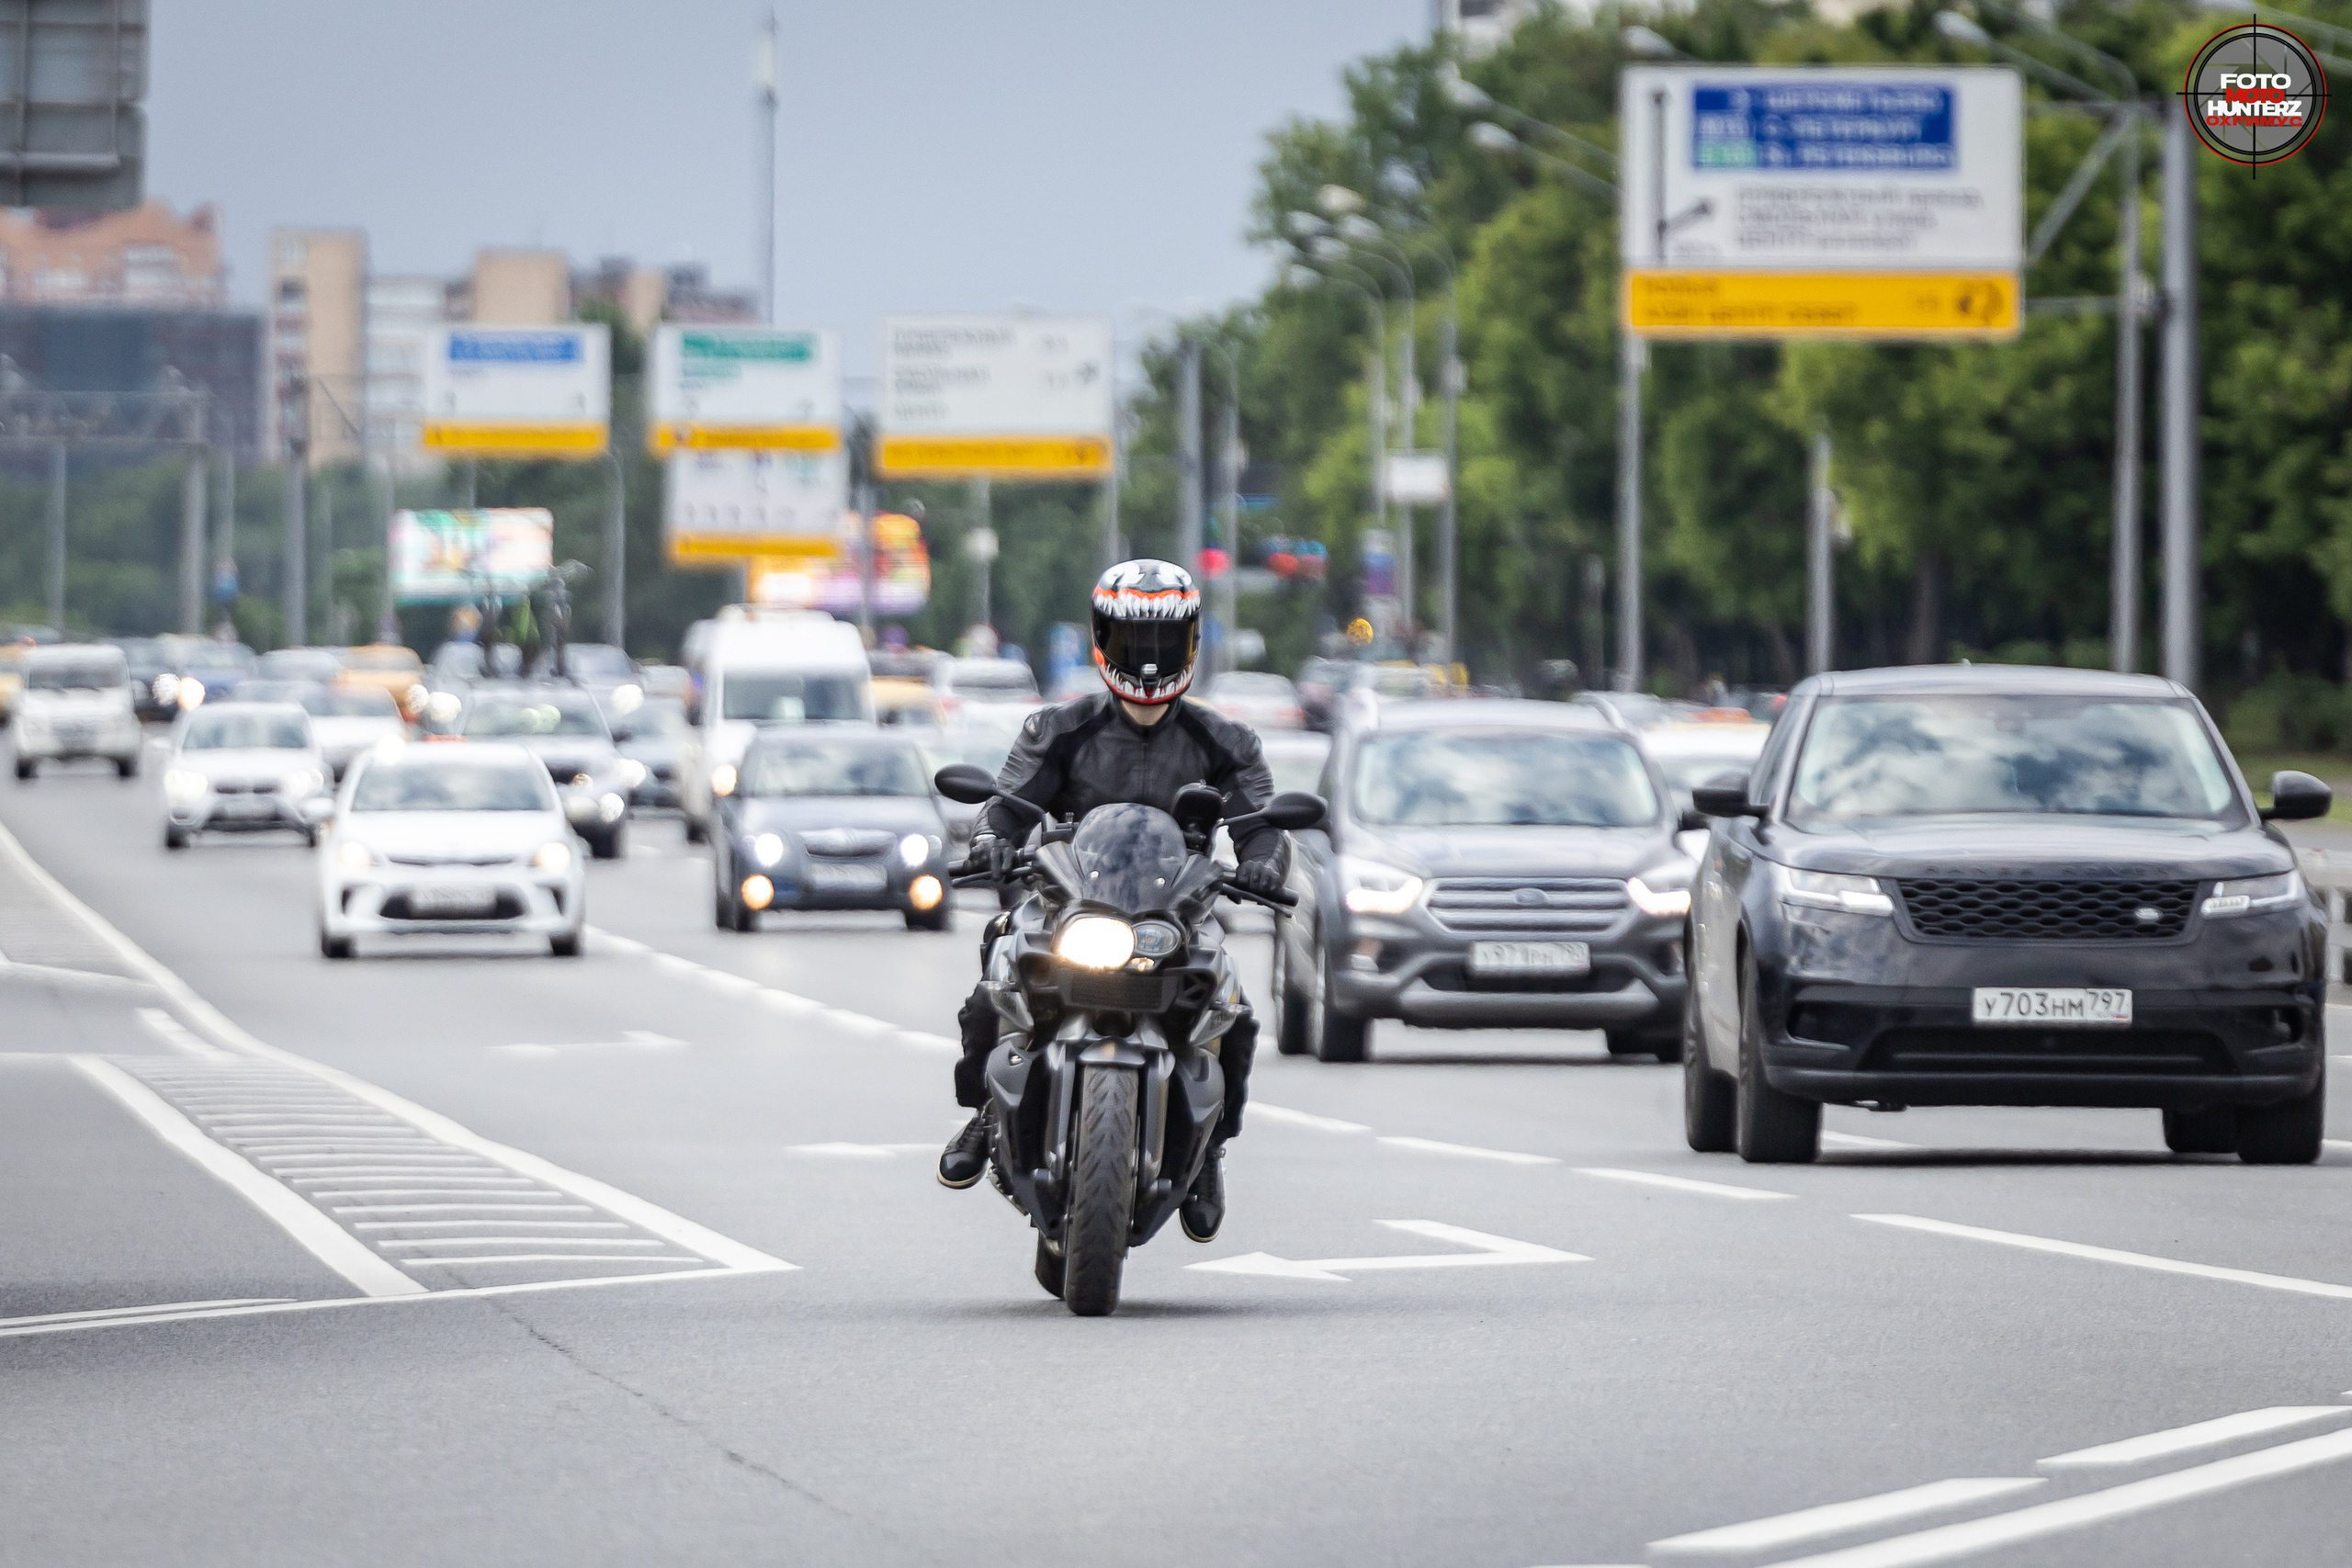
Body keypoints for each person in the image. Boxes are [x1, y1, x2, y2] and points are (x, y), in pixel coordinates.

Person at [935, 559, 1287, 1243]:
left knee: (1235, 1016)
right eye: (1134, 642)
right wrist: (988, 842)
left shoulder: (1227, 741)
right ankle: (985, 1109)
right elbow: (1004, 811)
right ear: (1104, 639)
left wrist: (1266, 865)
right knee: (994, 979)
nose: (1150, 661)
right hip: (1071, 906)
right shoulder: (1057, 729)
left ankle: (1210, 1148)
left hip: (1176, 916)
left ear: (1190, 643)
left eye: (1164, 642)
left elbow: (1262, 829)